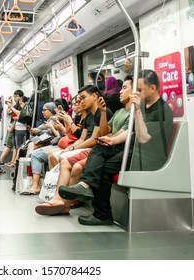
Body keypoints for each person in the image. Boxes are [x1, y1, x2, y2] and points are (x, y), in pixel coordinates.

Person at [58, 76, 133, 225]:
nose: (120, 91)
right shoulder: (119, 112)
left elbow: (119, 135)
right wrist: (104, 112)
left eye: (125, 88)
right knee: (100, 160)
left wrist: (109, 138)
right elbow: (106, 131)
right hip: (112, 146)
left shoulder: (133, 113)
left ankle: (86, 187)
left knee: (98, 150)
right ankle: (99, 210)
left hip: (121, 147)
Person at [35, 85, 113, 215]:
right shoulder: (90, 116)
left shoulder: (102, 112)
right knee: (61, 159)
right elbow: (82, 138)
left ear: (94, 96)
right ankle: (58, 198)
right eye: (79, 99)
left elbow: (95, 139)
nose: (81, 102)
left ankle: (64, 202)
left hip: (96, 149)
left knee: (69, 162)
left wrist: (71, 146)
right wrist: (71, 147)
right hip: (88, 146)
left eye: (83, 98)